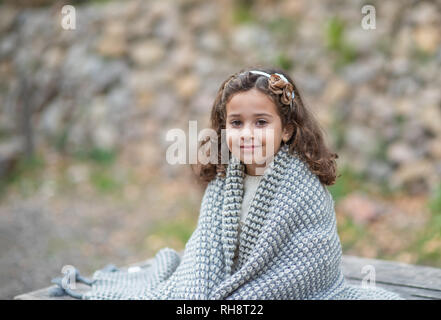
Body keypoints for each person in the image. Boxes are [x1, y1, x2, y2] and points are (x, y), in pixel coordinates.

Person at [51, 67, 403, 300]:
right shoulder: (223, 184)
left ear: (288, 130)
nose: (247, 133)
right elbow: (204, 250)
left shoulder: (304, 190)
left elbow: (309, 264)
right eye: (236, 123)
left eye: (261, 122)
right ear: (224, 130)